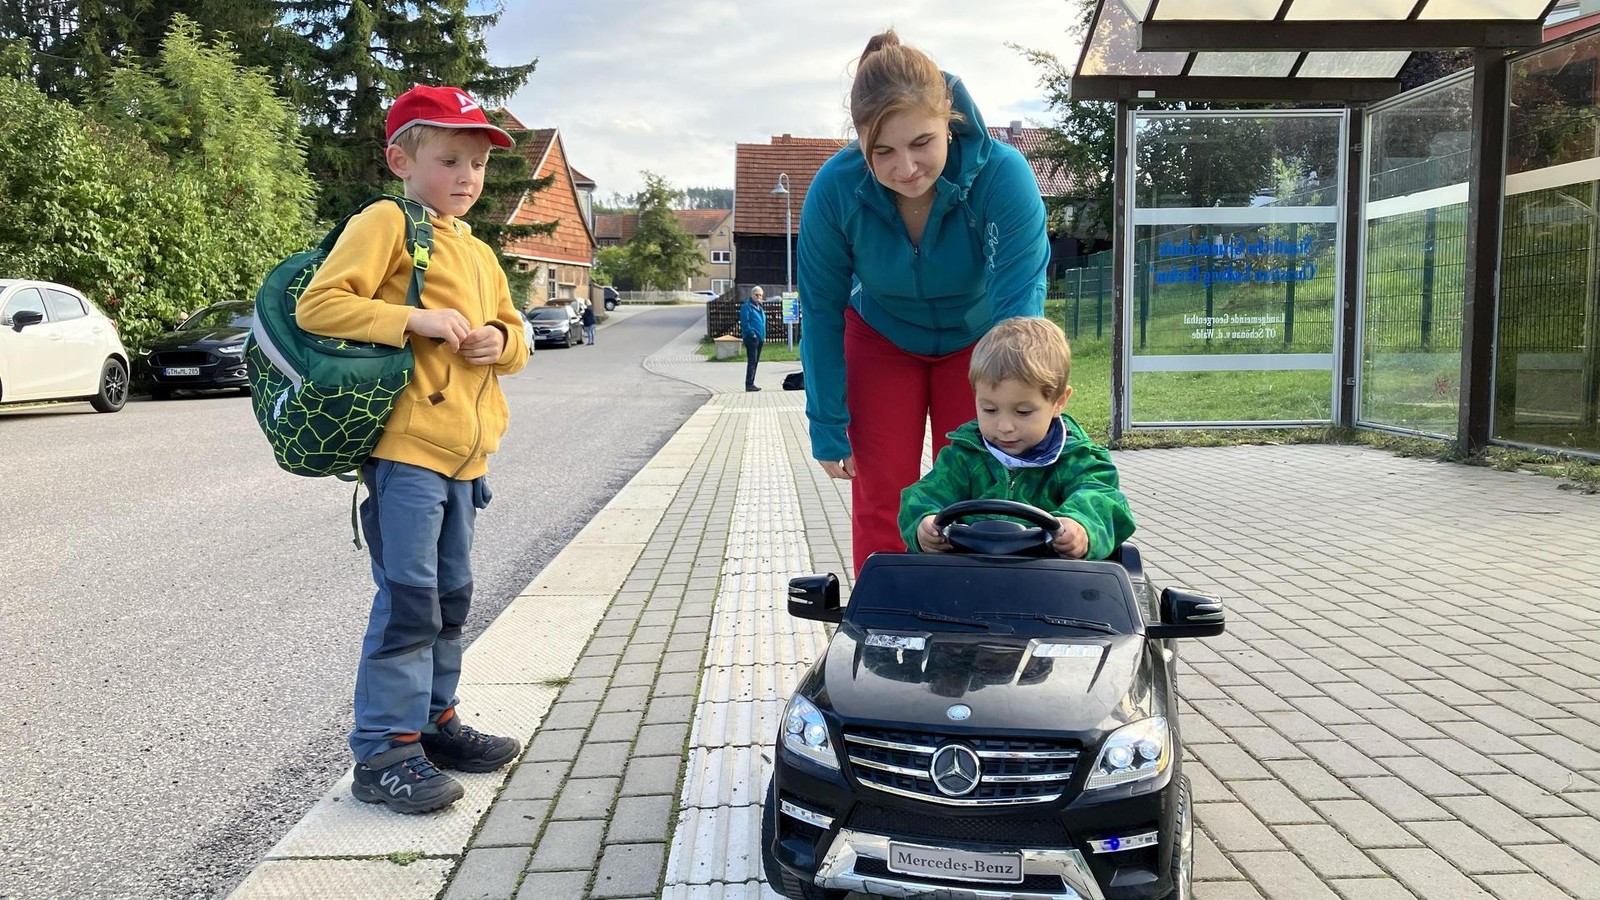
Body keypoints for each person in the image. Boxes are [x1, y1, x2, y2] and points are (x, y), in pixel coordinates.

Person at [296, 83, 529, 815]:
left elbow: (515, 336)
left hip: (467, 459)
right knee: (409, 603)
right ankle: (384, 751)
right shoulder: (387, 222)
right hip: (406, 454)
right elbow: (320, 305)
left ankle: (434, 723)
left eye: (478, 164)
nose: (467, 176)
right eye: (450, 158)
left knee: (451, 600)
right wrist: (414, 321)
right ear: (401, 157)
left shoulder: (481, 252)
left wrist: (503, 341)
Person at [798, 28, 1050, 574]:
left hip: (983, 342)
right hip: (881, 338)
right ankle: (883, 627)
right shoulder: (834, 189)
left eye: (921, 144)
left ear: (949, 122)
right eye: (881, 151)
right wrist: (826, 420)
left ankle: (981, 615)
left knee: (979, 487)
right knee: (883, 493)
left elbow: (1019, 312)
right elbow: (819, 310)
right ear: (860, 139)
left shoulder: (1004, 177)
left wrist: (1028, 405)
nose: (905, 168)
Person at [899, 317, 1136, 558]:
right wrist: (924, 522)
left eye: (1023, 412)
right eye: (990, 410)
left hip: (1053, 584)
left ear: (1058, 402)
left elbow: (1104, 500)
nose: (1004, 426)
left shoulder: (1079, 460)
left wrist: (1082, 526)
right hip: (969, 578)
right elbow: (924, 495)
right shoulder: (964, 457)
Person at [740, 285, 768, 391]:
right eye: (756, 295)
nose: (758, 297)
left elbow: (762, 323)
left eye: (760, 295)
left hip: (759, 338)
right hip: (751, 338)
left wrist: (762, 336)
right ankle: (749, 383)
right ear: (752, 295)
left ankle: (752, 382)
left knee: (756, 361)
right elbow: (745, 322)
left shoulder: (759, 308)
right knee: (752, 361)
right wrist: (752, 334)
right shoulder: (747, 307)